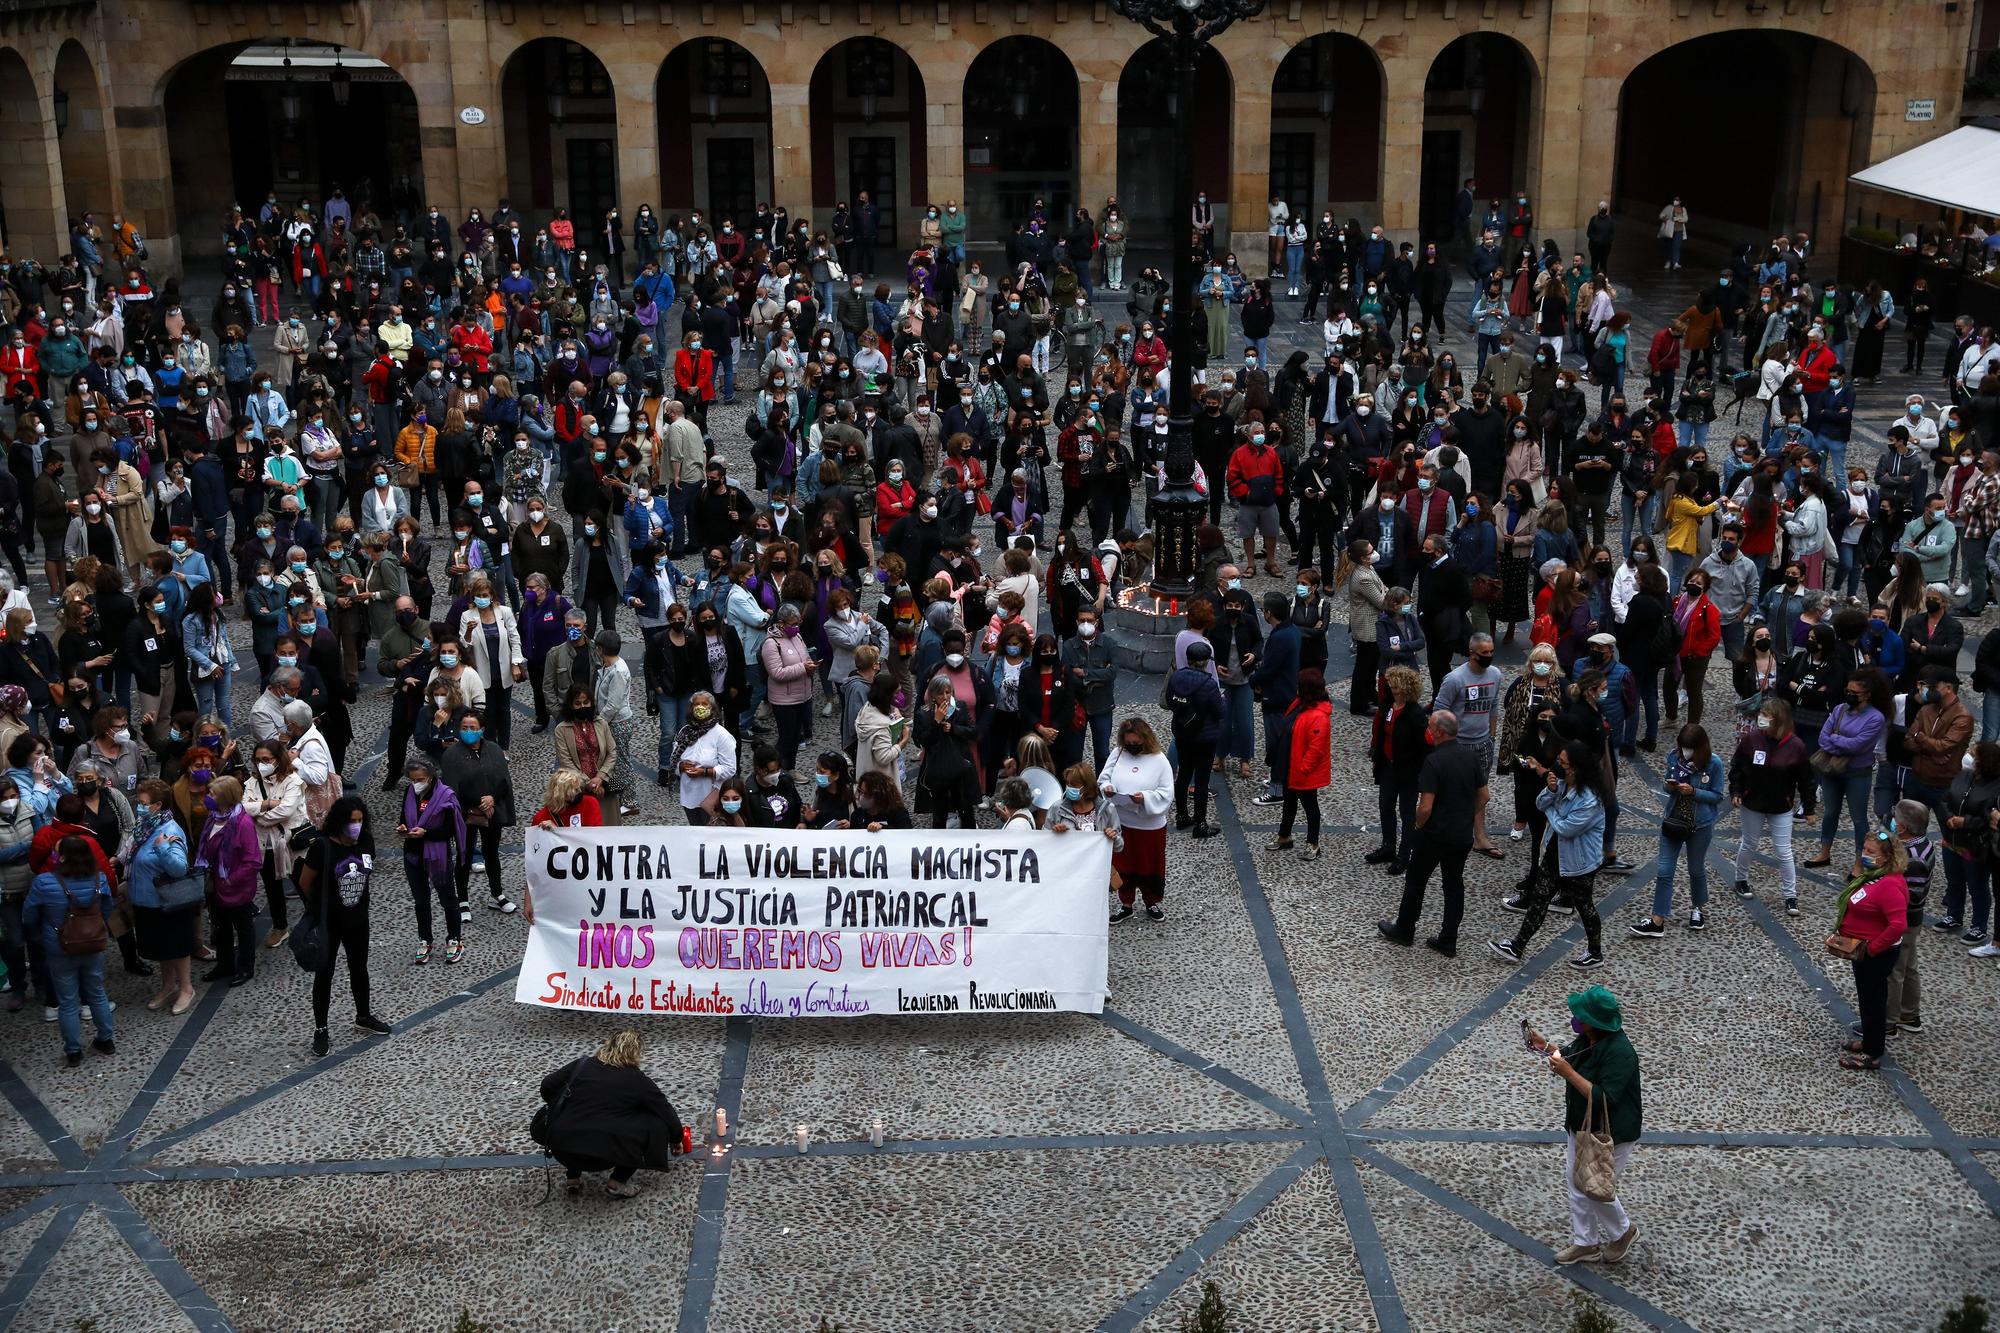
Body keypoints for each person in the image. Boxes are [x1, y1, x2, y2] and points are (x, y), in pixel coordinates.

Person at [1523, 985, 1643, 1265]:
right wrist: (1548, 1048)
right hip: (1581, 1125)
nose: (1575, 1018)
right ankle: (1585, 1243)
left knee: (1595, 1186)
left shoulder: (1621, 1052)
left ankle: (1623, 1232)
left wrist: (1567, 1072)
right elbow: (1570, 1057)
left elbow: (1604, 1097)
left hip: (1610, 1133)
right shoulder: (1587, 1039)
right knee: (1577, 1183)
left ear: (1595, 1022)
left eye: (1581, 1016)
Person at [1490, 738, 1608, 968]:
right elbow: (1540, 802)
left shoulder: (1590, 800)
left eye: (1562, 762)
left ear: (1574, 767)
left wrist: (1551, 808)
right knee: (1539, 900)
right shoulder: (1562, 784)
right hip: (1556, 855)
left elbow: (1565, 828)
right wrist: (1551, 791)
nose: (1556, 765)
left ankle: (1595, 952)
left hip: (1579, 863)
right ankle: (1517, 946)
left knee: (1585, 907)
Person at [1378, 708, 1486, 956]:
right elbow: (1484, 795)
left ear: (1437, 732)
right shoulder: (1470, 757)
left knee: (1416, 881)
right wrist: (1466, 816)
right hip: (1461, 835)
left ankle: (1404, 928)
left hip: (1435, 834)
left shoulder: (1433, 761)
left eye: (1430, 727)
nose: (1427, 730)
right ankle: (1449, 939)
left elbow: (1425, 806)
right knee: (1453, 885)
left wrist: (1418, 825)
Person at [537, 1028, 686, 1198]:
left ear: (608, 1045)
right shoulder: (636, 1079)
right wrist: (676, 1138)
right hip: (603, 1157)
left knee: (575, 1119)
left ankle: (573, 1178)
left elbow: (547, 1086)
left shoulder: (582, 1065)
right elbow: (665, 1112)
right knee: (654, 1123)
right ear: (635, 1053)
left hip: (561, 1147)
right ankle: (617, 1181)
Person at [297, 795, 390, 1058]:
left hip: (358, 919)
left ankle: (363, 1015)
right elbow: (305, 882)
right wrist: (316, 909)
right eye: (352, 821)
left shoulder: (366, 842)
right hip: (329, 922)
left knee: (359, 968)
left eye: (360, 820)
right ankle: (321, 1028)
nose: (357, 826)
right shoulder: (323, 847)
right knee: (324, 975)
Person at [23, 833, 117, 1065]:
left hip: (59, 948)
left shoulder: (44, 882)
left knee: (67, 1001)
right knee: (96, 992)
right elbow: (106, 909)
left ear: (62, 858)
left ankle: (73, 1051)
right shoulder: (100, 879)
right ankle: (106, 1039)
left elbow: (29, 916)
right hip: (93, 945)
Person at [1630, 723, 1727, 939]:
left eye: (1690, 748)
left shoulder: (1714, 764)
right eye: (1683, 746)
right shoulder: (1675, 757)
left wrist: (1694, 791)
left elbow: (1718, 796)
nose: (1685, 752)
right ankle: (1657, 920)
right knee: (1664, 871)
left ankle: (1697, 907)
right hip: (1674, 819)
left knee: (1695, 869)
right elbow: (1666, 786)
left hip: (1699, 824)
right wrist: (1670, 786)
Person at [1829, 826, 1910, 1071]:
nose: (1865, 854)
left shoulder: (1889, 885)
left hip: (1874, 954)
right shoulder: (1873, 877)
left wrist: (1873, 949)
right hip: (1862, 950)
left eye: (1871, 851)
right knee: (1868, 999)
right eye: (1864, 849)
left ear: (1886, 856)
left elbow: (1898, 925)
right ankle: (1869, 1042)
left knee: (1874, 1001)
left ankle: (1872, 1053)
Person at [1728, 697, 1814, 916]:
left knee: (1784, 852)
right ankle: (1741, 879)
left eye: (1766, 715)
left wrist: (1809, 808)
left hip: (1780, 806)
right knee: (1749, 844)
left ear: (1779, 720)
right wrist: (1736, 791)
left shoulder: (1796, 747)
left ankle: (1790, 895)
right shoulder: (1751, 739)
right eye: (1762, 714)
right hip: (1753, 802)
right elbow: (1737, 767)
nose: (1761, 718)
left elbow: (1805, 780)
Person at [122, 777, 195, 1015]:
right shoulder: (145, 827)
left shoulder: (170, 831)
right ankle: (168, 985)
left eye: (144, 803)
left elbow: (179, 868)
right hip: (146, 901)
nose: (139, 807)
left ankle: (186, 988)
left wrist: (163, 847)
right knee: (161, 948)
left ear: (158, 805)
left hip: (166, 901)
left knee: (176, 946)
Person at [1431, 630, 1505, 858]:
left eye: (1492, 651)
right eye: (1485, 652)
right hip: (1458, 744)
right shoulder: (1455, 679)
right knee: (1450, 791)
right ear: (1472, 654)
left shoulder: (1495, 674)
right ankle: (1446, 832)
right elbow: (1439, 710)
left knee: (1480, 792)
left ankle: (1479, 836)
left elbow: (1493, 707)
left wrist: (1491, 736)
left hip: (1482, 743)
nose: (1489, 655)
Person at [1804, 671, 1888, 868]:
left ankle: (1859, 861)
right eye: (1847, 690)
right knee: (1830, 812)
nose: (1849, 695)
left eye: (1854, 692)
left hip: (1858, 773)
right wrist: (1841, 742)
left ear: (1867, 694)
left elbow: (1858, 745)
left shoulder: (1875, 718)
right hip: (1832, 770)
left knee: (1859, 819)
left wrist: (1835, 739)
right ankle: (1824, 852)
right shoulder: (1840, 709)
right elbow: (1823, 738)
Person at [440, 708, 518, 915]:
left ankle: (497, 893)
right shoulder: (451, 755)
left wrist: (492, 799)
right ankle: (463, 899)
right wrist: (480, 803)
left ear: (481, 730)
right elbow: (452, 787)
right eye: (464, 727)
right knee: (464, 855)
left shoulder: (493, 750)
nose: (468, 731)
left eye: (472, 728)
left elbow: (503, 781)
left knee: (491, 853)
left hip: (492, 810)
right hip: (465, 813)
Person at [1102, 717, 1172, 922]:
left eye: (1136, 743)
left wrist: (1145, 798)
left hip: (1150, 826)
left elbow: (1167, 793)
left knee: (1150, 865)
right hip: (1123, 821)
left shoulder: (1160, 761)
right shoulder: (1118, 753)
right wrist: (1108, 789)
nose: (1132, 747)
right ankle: (1126, 903)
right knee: (1124, 863)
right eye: (1129, 743)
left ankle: (1152, 901)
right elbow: (1104, 777)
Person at [400, 754, 466, 965]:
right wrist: (403, 828)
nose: (416, 784)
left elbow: (449, 830)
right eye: (412, 779)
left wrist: (425, 833)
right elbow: (404, 817)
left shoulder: (445, 796)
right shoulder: (409, 792)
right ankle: (425, 939)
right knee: (421, 900)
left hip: (438, 854)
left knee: (448, 898)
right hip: (413, 852)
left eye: (420, 779)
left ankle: (454, 939)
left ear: (430, 776)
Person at [196, 774, 262, 987]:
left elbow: (252, 861)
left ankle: (245, 966)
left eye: (212, 794)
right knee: (221, 928)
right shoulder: (214, 817)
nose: (208, 797)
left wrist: (231, 879)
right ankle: (225, 964)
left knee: (243, 929)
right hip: (217, 886)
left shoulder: (242, 823)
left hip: (236, 888)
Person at [1367, 665, 1430, 875]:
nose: (1391, 687)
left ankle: (1405, 855)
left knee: (1407, 813)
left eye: (1394, 685)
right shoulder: (1387, 706)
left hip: (1408, 771)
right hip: (1388, 766)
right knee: (1385, 806)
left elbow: (1424, 747)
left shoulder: (1415, 714)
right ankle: (1388, 847)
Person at [1266, 669, 1332, 859]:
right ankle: (1284, 836)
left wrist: (1302, 768)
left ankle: (1313, 843)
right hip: (1291, 767)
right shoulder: (1301, 705)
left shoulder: (1317, 715)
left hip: (1302, 771)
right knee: (1290, 803)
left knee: (1310, 807)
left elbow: (1315, 749)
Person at [1165, 639, 1226, 838]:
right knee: (1201, 779)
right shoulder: (1208, 684)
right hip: (1205, 737)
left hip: (1182, 732)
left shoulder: (1176, 678)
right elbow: (1220, 711)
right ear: (1206, 661)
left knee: (1183, 774)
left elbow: (1169, 701)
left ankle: (1182, 816)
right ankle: (1200, 823)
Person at [669, 692, 736, 825]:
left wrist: (704, 772)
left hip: (710, 796)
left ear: (712, 708)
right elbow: (673, 760)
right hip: (688, 795)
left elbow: (730, 768)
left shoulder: (721, 735)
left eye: (704, 704)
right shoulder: (685, 732)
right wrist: (681, 767)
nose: (700, 707)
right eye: (696, 704)